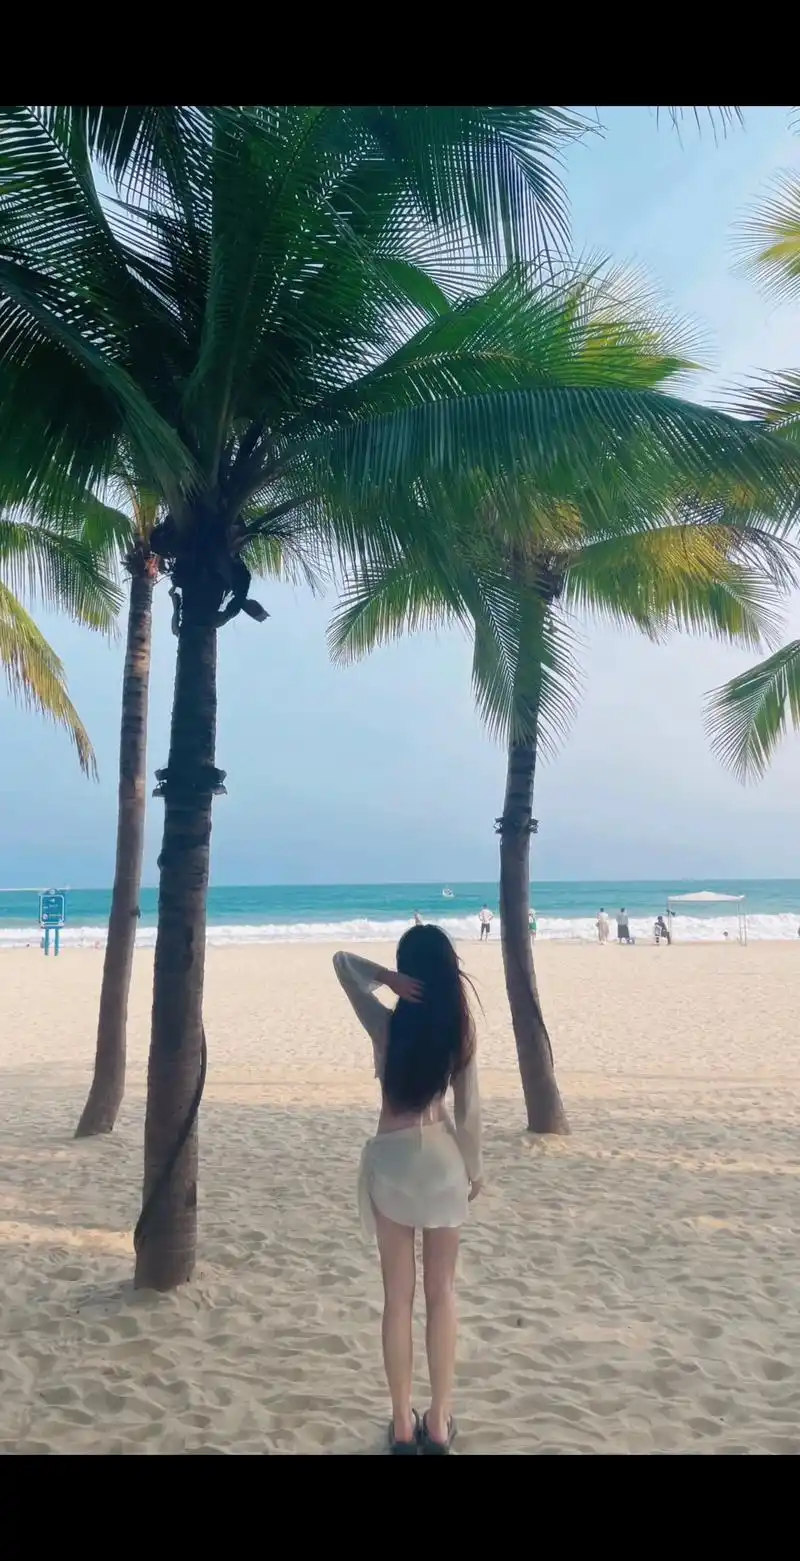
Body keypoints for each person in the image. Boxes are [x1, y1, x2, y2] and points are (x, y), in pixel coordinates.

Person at [333, 926, 481, 1455]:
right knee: (442, 1293)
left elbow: (342, 963)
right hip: (442, 1160)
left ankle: (401, 1424)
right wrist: (474, 1170)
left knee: (398, 1297)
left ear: (407, 972)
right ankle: (438, 1423)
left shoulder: (386, 1024)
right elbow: (469, 1109)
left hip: (392, 1160)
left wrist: (384, 977)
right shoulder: (458, 1029)